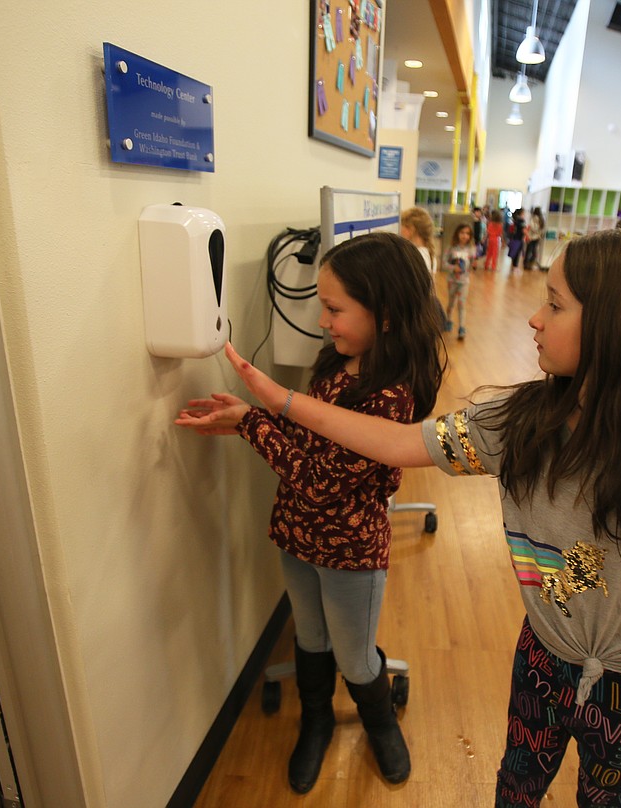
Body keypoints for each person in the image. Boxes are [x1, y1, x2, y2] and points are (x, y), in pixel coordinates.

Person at [225, 229, 621, 808]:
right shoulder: (518, 424)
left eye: (555, 305)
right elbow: (398, 443)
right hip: (543, 656)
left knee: (608, 797)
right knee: (515, 786)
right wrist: (273, 399)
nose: (535, 318)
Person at [174, 232, 447, 792]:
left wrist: (253, 420)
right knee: (310, 638)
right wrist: (248, 417)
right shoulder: (334, 364)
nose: (323, 321)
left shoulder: (391, 396)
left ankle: (378, 720)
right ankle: (316, 720)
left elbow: (321, 481)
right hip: (297, 535)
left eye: (333, 308)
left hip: (350, 553)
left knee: (355, 656)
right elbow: (306, 444)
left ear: (387, 314)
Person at [443, 223, 475, 340]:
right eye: (462, 233)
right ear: (457, 233)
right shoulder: (451, 248)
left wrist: (469, 269)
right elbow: (444, 263)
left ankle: (462, 327)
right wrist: (453, 268)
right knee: (451, 302)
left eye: (467, 233)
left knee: (461, 304)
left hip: (464, 281)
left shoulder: (471, 249)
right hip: (452, 280)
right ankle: (448, 320)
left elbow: (471, 264)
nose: (464, 236)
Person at [399, 206, 438, 274]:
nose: (400, 230)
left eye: (402, 226)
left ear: (411, 229)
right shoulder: (428, 253)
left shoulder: (414, 257)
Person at [524, 206, 545, 271]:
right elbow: (542, 229)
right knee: (534, 251)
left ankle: (526, 264)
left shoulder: (533, 218)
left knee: (529, 251)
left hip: (531, 237)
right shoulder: (542, 219)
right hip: (537, 237)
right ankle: (530, 264)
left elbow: (532, 227)